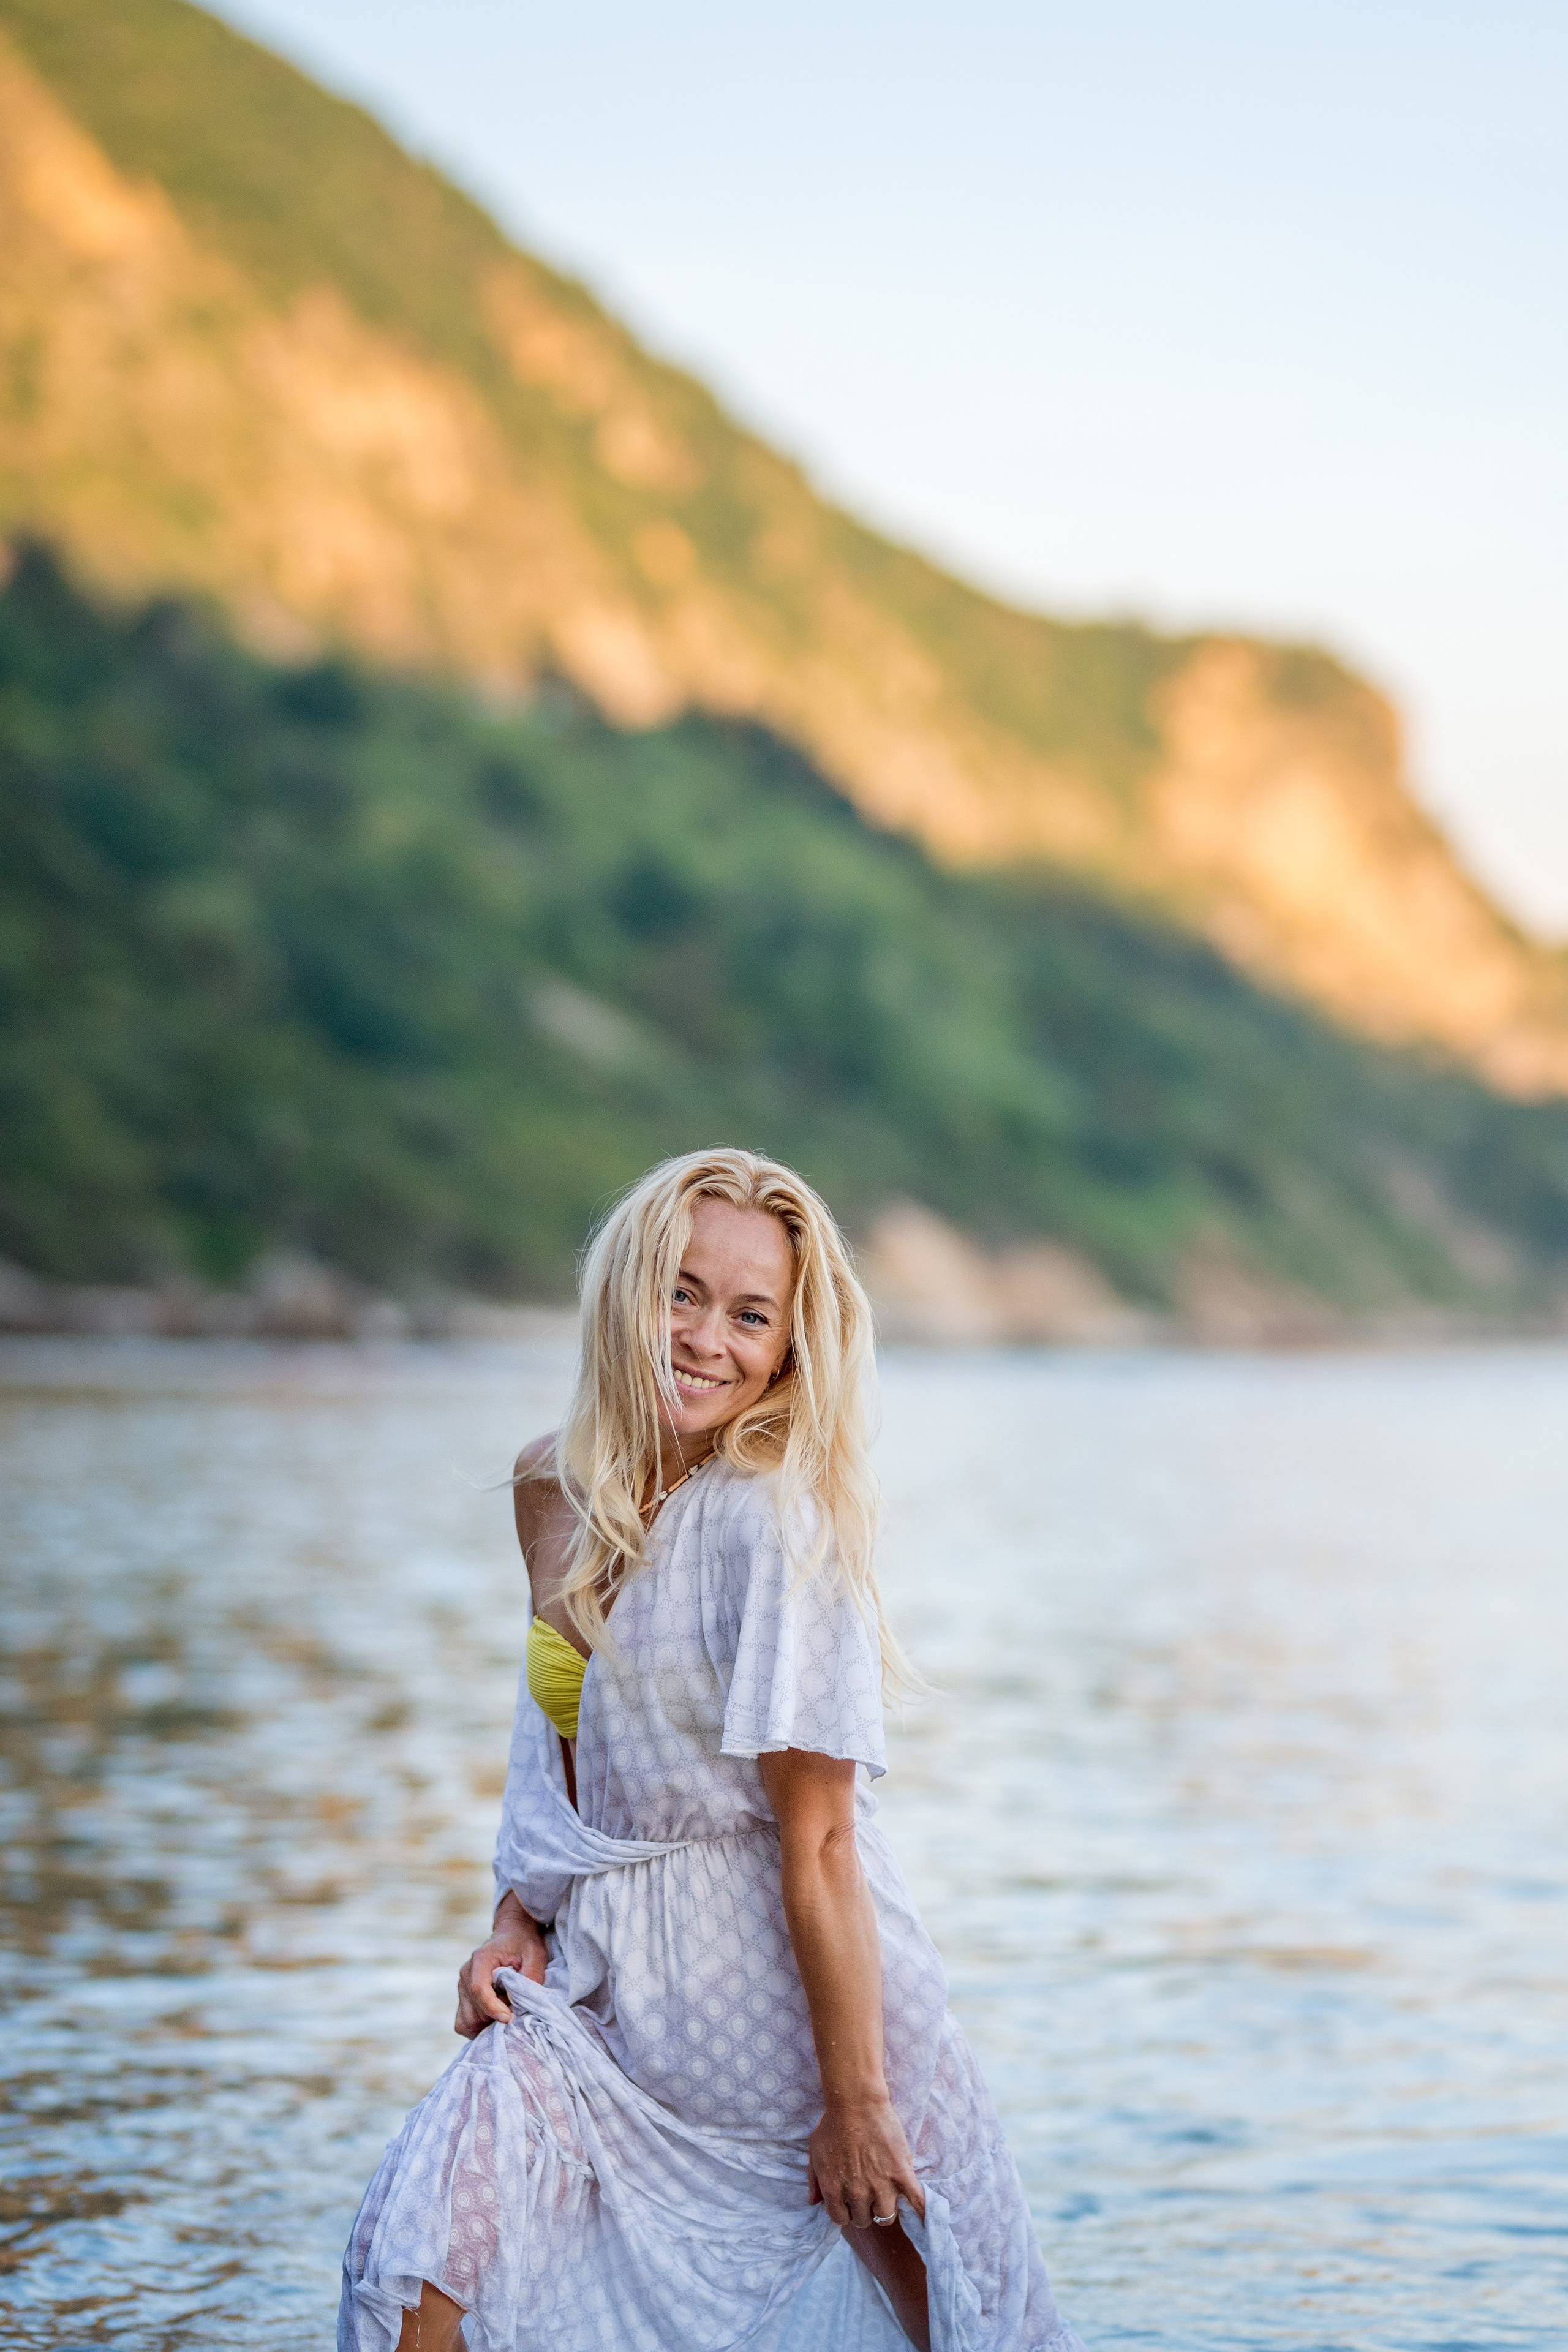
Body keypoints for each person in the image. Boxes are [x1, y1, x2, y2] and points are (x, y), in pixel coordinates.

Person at [339, 1147, 1086, 2352]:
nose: (702, 1338)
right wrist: (513, 1917)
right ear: (623, 1290)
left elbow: (825, 1833)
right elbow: (558, 1745)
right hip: (601, 2003)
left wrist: (854, 2103)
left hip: (792, 2021)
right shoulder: (550, 1484)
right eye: (679, 1292)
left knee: (950, 2324)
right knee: (408, 2262)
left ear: (790, 1347)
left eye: (749, 1316)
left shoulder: (774, 1521)